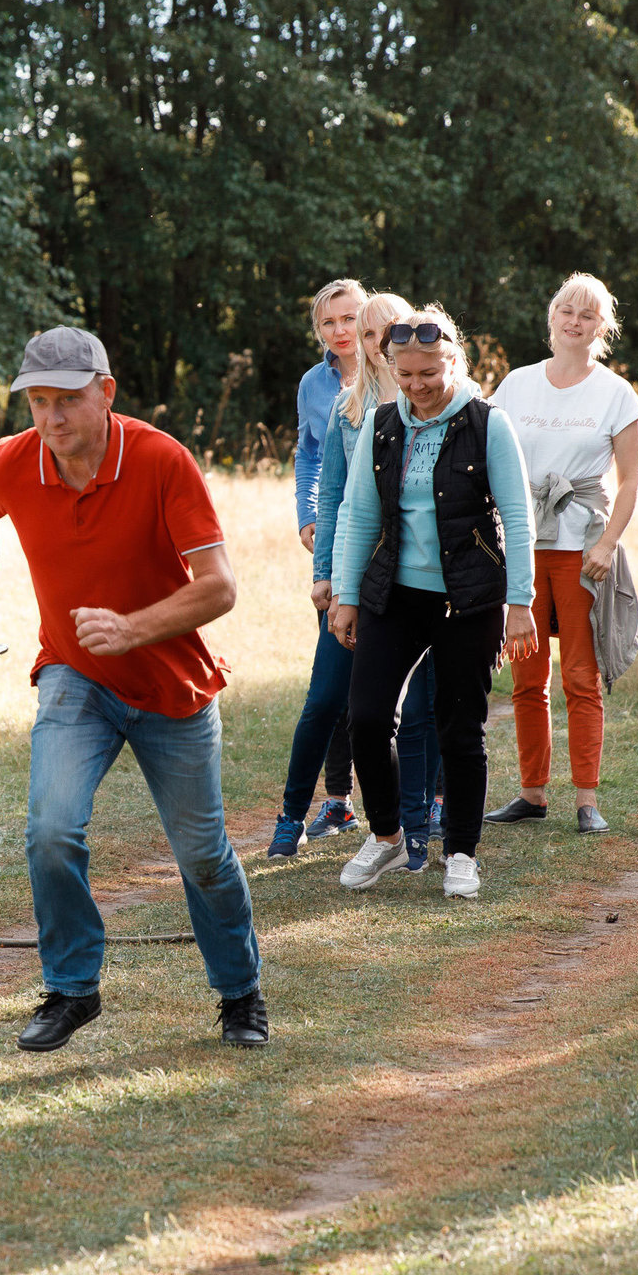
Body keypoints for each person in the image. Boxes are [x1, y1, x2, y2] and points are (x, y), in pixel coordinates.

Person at [0, 326, 268, 1052]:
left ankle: (240, 992)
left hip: (174, 687)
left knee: (201, 854)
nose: (51, 418)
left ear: (106, 391)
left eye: (67, 400)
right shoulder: (14, 462)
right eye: (38, 401)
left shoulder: (161, 459)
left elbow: (220, 586)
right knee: (51, 828)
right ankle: (71, 988)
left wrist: (132, 629)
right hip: (76, 674)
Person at [329, 307, 539, 902]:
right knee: (366, 717)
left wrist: (519, 603)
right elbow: (358, 513)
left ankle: (462, 854)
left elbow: (519, 520)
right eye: (406, 374)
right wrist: (347, 597)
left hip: (468, 599)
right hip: (393, 595)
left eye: (429, 373)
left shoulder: (487, 424)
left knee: (459, 731)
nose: (417, 386)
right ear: (391, 368)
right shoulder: (381, 424)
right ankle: (388, 834)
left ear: (454, 361)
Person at [273, 291, 446, 869]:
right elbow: (334, 491)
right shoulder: (348, 408)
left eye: (376, 329)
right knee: (332, 698)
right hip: (359, 573)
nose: (368, 340)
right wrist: (323, 570)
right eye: (362, 332)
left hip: (426, 578)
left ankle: (419, 823)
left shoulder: (446, 404)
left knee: (423, 710)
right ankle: (299, 815)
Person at [486, 273, 638, 833]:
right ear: (551, 319)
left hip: (580, 550)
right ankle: (532, 795)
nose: (575, 322)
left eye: (588, 315)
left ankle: (586, 799)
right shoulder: (515, 385)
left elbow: (629, 482)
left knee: (580, 674)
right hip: (522, 547)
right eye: (566, 312)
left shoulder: (616, 393)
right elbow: (488, 459)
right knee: (526, 678)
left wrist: (607, 543)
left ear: (603, 327)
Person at [282, 277, 368, 842]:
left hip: (392, 546)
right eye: (328, 322)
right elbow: (309, 454)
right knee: (332, 684)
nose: (340, 331)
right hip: (334, 542)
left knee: (387, 692)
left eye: (349, 318)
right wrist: (308, 516)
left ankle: (425, 803)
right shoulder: (314, 384)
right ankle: (335, 801)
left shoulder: (398, 371)